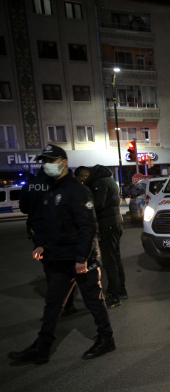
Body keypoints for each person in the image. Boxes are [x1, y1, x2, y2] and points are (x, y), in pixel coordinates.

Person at [8, 145, 115, 363]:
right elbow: (43, 221)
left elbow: (88, 226)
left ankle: (106, 339)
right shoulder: (50, 189)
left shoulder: (76, 190)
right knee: (53, 303)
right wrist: (40, 243)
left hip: (79, 258)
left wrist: (81, 258)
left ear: (63, 162)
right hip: (57, 258)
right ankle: (42, 347)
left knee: (93, 300)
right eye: (44, 161)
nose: (46, 164)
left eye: (51, 160)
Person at [84, 164, 127, 307]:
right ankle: (121, 290)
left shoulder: (100, 183)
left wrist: (85, 205)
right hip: (116, 223)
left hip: (107, 225)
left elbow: (98, 204)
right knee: (116, 258)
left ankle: (113, 295)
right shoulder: (110, 180)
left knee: (109, 262)